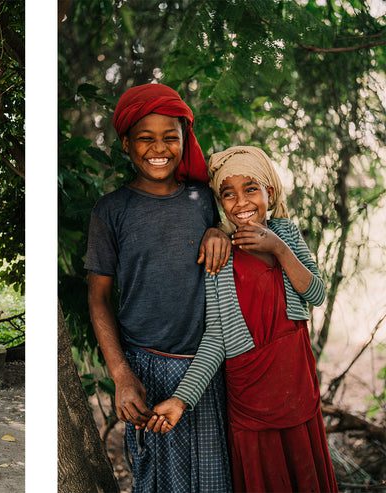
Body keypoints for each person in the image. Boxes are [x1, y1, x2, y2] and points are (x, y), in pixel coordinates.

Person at [148, 146, 337, 492]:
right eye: (228, 194)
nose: (241, 202)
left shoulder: (288, 234)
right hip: (250, 395)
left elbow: (316, 295)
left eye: (251, 188)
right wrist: (181, 399)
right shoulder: (221, 254)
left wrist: (278, 247)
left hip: (295, 384)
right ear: (220, 203)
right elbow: (217, 337)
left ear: (270, 191)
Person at [84, 83, 232, 492]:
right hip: (145, 367)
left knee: (215, 477)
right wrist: (121, 375)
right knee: (158, 480)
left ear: (185, 140)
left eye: (171, 137)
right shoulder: (111, 211)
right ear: (126, 143)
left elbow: (245, 234)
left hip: (207, 366)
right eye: (145, 138)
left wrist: (220, 231)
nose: (159, 148)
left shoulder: (205, 200)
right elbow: (98, 298)